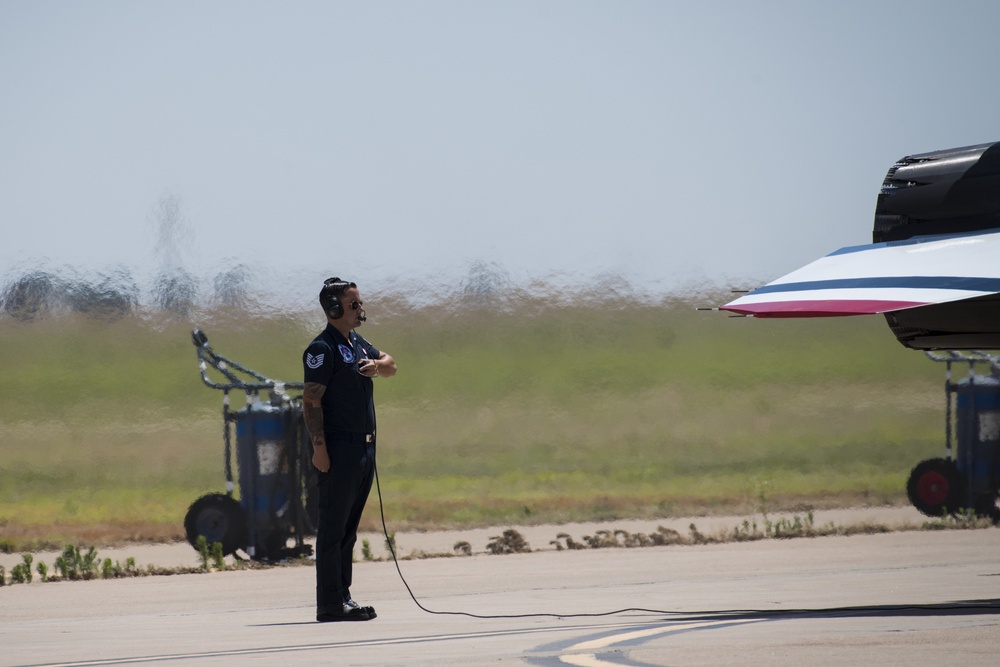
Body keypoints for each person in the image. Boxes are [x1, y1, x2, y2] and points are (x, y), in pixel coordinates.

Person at [302, 277, 397, 622]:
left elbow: (391, 364)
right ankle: (329, 603)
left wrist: (377, 367)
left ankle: (344, 595)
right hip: (338, 449)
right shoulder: (322, 349)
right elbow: (311, 401)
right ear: (334, 309)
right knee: (332, 529)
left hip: (363, 450)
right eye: (353, 304)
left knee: (349, 530)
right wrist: (319, 449)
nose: (360, 309)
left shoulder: (356, 343)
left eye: (359, 303)